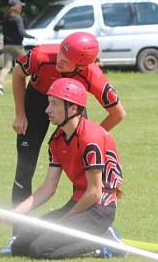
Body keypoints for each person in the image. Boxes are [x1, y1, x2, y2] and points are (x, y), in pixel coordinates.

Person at [10, 78, 123, 259]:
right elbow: (48, 187)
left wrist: (66, 219)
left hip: (98, 209)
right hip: (78, 203)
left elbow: (95, 192)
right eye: (49, 103)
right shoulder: (57, 140)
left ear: (73, 108)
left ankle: (103, 242)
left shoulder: (90, 139)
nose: (47, 110)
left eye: (54, 104)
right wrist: (17, 212)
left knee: (40, 250)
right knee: (20, 245)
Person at [10, 31, 125, 207]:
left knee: (83, 174)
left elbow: (118, 113)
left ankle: (79, 220)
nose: (59, 61)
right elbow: (17, 74)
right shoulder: (41, 55)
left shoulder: (92, 75)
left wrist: (93, 136)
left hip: (71, 108)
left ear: (81, 66)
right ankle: (18, 229)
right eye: (60, 54)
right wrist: (20, 114)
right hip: (36, 100)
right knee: (25, 167)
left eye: (65, 61)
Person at [0, 0, 29, 95]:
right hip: (17, 47)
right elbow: (21, 32)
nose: (21, 8)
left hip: (7, 46)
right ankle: (27, 87)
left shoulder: (6, 18)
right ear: (15, 7)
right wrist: (31, 37)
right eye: (20, 6)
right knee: (26, 66)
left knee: (6, 67)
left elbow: (4, 32)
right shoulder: (17, 18)